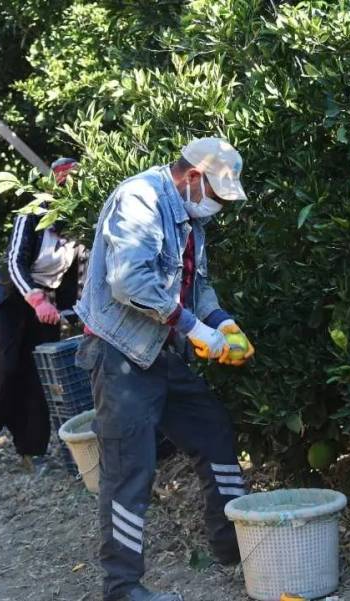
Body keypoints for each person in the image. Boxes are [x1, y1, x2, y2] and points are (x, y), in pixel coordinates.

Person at [74, 138, 255, 601]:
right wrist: (195, 329)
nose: (217, 205)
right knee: (129, 469)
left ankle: (234, 548)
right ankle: (123, 588)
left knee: (213, 431)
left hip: (159, 349)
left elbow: (199, 287)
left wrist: (222, 323)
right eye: (216, 194)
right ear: (193, 176)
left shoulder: (189, 218)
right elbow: (129, 281)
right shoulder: (139, 198)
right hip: (120, 354)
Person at [0, 158, 85, 473]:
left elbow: (74, 279)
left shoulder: (80, 225)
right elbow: (15, 261)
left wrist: (71, 315)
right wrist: (36, 299)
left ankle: (32, 451)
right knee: (6, 367)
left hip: (45, 305)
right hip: (8, 299)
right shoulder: (31, 214)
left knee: (39, 376)